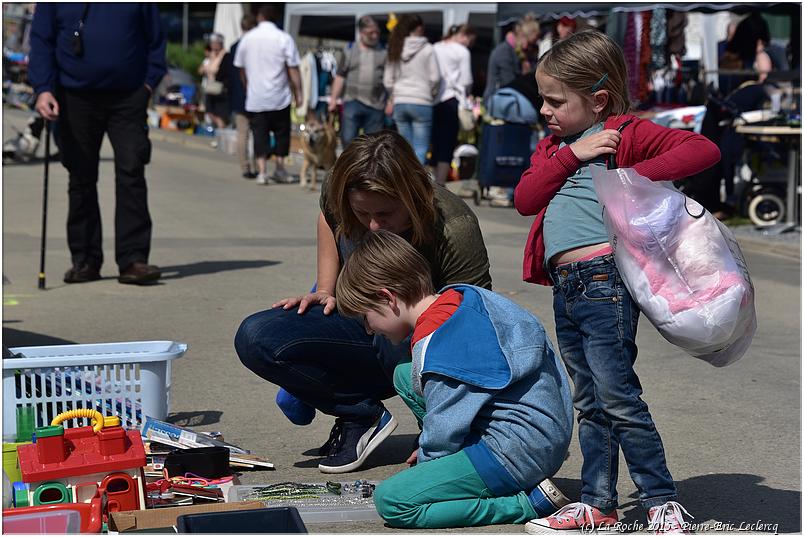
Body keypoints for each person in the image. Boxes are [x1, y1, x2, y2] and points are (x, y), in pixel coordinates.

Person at [513, 31, 720, 533]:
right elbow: (525, 198)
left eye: (555, 101)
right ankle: (598, 503)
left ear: (598, 100)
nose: (545, 109)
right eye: (543, 98)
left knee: (618, 395)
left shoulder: (625, 133)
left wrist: (629, 178)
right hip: (567, 286)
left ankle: (660, 500)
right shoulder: (557, 148)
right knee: (589, 400)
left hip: (604, 280)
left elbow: (702, 149)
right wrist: (573, 154)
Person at [234, 130, 492, 474]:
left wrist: (451, 423)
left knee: (393, 325)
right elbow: (329, 216)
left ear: (413, 196)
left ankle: (441, 427)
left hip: (423, 346)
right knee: (256, 336)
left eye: (385, 214)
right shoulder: (339, 191)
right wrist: (326, 288)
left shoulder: (453, 226)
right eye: (361, 213)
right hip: (362, 322)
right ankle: (360, 415)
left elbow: (477, 322)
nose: (372, 225)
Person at [334, 230, 574, 529]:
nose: (370, 330)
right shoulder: (464, 298)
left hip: (514, 455)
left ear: (387, 298)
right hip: (545, 431)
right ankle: (482, 465)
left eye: (366, 319)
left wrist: (430, 465)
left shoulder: (438, 345)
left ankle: (524, 503)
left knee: (393, 500)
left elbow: (445, 426)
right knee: (403, 376)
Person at [29, 3, 166, 285]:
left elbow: (156, 39)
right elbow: (42, 41)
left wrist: (149, 84)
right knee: (80, 176)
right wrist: (43, 89)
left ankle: (133, 260)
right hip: (74, 96)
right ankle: (86, 260)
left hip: (129, 96)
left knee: (132, 172)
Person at [233, 5, 303, 185]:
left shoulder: (247, 39)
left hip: (256, 97)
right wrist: (299, 92)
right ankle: (279, 169)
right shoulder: (283, 38)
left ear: (259, 17)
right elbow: (293, 68)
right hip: (279, 96)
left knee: (260, 134)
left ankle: (262, 172)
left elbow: (241, 69)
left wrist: (248, 85)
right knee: (281, 134)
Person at [383, 14, 441, 165]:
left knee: (404, 149)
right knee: (420, 149)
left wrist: (393, 95)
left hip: (401, 100)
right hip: (422, 100)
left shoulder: (395, 46)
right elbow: (435, 78)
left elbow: (388, 80)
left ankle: (403, 182)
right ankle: (416, 184)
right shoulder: (428, 49)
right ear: (420, 28)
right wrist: (431, 93)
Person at [327, 16, 387, 149]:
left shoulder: (383, 52)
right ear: (361, 33)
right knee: (348, 139)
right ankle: (349, 167)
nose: (375, 35)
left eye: (377, 32)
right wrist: (333, 100)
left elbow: (389, 79)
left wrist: (391, 100)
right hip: (352, 101)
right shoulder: (349, 50)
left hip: (375, 104)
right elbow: (340, 76)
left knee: (373, 144)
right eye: (371, 32)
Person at [431, 24, 476, 186]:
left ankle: (431, 180)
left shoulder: (435, 47)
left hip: (433, 99)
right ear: (465, 36)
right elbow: (466, 80)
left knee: (434, 142)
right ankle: (440, 183)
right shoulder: (462, 52)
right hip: (452, 99)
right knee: (447, 143)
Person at [482, 14, 540, 106]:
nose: (529, 48)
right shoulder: (504, 52)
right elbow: (509, 83)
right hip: (497, 102)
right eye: (529, 43)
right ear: (521, 35)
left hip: (511, 100)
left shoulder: (521, 54)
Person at [227, 14, 258, 180]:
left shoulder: (234, 47)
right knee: (258, 133)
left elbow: (231, 75)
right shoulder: (255, 45)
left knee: (242, 133)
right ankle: (257, 166)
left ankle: (245, 166)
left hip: (238, 97)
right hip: (256, 95)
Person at [198, 33, 229, 130]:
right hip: (210, 87)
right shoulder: (211, 55)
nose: (212, 45)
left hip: (220, 89)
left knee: (220, 115)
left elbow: (219, 71)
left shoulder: (225, 55)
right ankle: (220, 132)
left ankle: (221, 133)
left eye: (214, 43)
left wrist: (209, 70)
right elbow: (201, 69)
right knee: (209, 111)